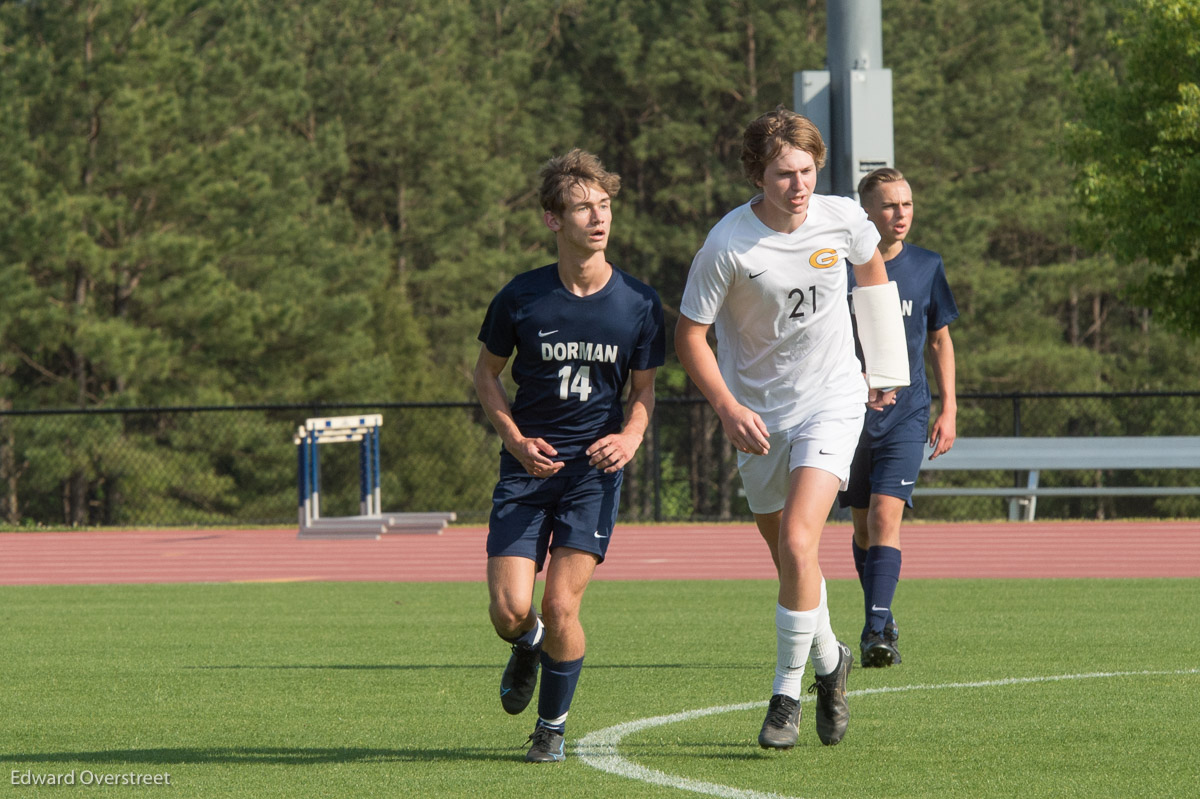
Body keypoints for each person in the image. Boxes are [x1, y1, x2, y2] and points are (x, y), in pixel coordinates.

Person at [675, 108, 907, 750]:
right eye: (783, 174)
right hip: (756, 417)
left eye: (806, 170)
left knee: (803, 543)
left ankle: (785, 694)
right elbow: (689, 337)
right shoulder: (728, 245)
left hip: (833, 400)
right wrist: (726, 405)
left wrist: (883, 364)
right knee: (789, 558)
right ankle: (832, 663)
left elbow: (871, 272)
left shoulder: (842, 218)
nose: (798, 185)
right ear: (758, 174)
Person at [473, 149, 666, 764]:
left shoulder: (638, 303)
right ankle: (526, 644)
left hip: (592, 475)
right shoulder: (521, 297)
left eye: (604, 206)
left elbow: (643, 392)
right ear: (554, 220)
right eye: (583, 207)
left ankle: (550, 728)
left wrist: (631, 437)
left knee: (561, 605)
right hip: (526, 472)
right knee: (511, 612)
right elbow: (485, 375)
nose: (598, 217)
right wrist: (513, 440)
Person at [839, 167, 959, 667]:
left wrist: (949, 407)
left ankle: (874, 631)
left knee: (888, 516)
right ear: (866, 212)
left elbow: (939, 339)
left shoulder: (927, 266)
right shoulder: (837, 269)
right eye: (889, 205)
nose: (900, 214)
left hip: (907, 414)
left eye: (906, 204)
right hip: (847, 415)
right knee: (864, 526)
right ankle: (881, 618)